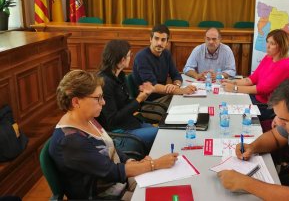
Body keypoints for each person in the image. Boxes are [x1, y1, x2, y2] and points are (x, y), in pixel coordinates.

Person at [49, 70, 178, 199]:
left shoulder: (88, 118)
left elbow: (110, 147)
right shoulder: (70, 140)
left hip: (120, 183)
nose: (103, 102)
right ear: (76, 102)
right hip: (107, 195)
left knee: (171, 186)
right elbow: (112, 172)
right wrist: (154, 164)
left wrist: (131, 161)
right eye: (97, 98)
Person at [97, 39, 158, 148]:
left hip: (131, 123)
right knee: (161, 134)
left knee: (164, 131)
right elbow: (112, 121)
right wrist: (139, 99)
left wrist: (143, 95)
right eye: (130, 55)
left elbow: (127, 104)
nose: (131, 57)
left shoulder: (120, 76)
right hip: (119, 132)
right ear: (122, 59)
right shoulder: (105, 83)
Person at [222, 29, 289, 120]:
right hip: (257, 99)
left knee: (232, 114)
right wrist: (233, 82)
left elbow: (261, 89)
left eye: (272, 43)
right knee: (227, 102)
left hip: (268, 107)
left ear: (281, 46)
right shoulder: (268, 57)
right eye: (267, 42)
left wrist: (234, 88)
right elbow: (252, 79)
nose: (267, 46)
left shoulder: (285, 65)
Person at [132, 24, 196, 108]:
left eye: (163, 40)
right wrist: (181, 90)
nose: (159, 43)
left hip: (163, 97)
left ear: (167, 42)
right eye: (156, 38)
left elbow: (176, 75)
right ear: (150, 39)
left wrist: (175, 85)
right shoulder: (142, 57)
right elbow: (153, 86)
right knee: (185, 106)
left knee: (191, 103)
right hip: (149, 103)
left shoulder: (166, 54)